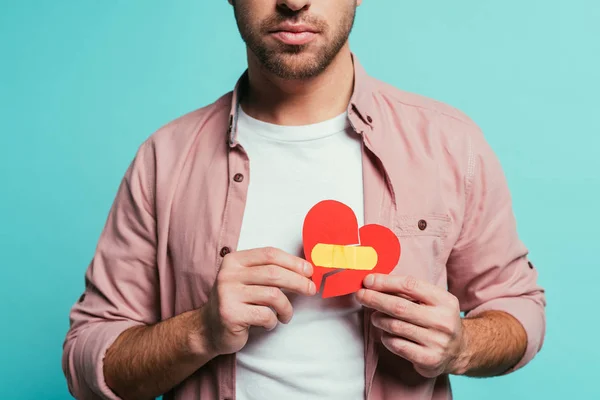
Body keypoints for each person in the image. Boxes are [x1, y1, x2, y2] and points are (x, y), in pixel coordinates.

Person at [61, 0, 546, 399]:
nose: (293, 2)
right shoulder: (164, 159)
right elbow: (87, 357)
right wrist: (200, 332)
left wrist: (462, 347)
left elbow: (519, 308)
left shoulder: (449, 145)